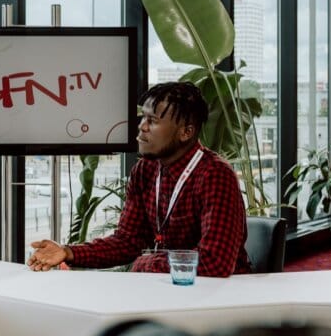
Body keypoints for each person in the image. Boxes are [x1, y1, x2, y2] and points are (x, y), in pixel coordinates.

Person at [28, 81, 249, 277]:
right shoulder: (146, 170)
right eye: (143, 117)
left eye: (152, 120)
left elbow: (215, 262)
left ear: (186, 132)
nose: (142, 126)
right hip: (171, 291)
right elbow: (128, 241)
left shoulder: (215, 175)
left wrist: (149, 263)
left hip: (222, 299)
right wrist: (68, 251)